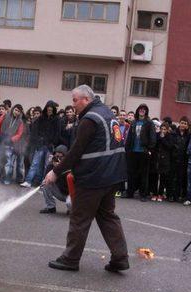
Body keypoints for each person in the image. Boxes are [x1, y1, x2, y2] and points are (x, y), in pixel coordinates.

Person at [43, 85, 128, 273]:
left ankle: (70, 259)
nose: (72, 105)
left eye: (75, 100)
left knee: (80, 218)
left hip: (94, 177)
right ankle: (120, 258)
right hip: (112, 175)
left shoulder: (90, 119)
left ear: (86, 100)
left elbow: (75, 151)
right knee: (108, 216)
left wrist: (55, 171)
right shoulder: (106, 113)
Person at [23, 100, 60, 187]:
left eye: (51, 110)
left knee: (46, 165)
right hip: (40, 145)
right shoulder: (41, 118)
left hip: (50, 146)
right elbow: (35, 130)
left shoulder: (56, 119)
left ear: (53, 110)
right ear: (46, 109)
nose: (49, 111)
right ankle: (28, 181)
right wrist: (38, 140)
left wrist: (53, 142)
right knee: (35, 163)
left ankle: (44, 184)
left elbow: (57, 133)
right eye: (48, 109)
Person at [124, 103, 156, 201]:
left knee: (143, 174)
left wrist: (150, 150)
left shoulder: (149, 123)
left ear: (146, 111)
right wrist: (127, 149)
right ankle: (130, 192)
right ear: (138, 111)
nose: (142, 111)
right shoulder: (134, 122)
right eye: (140, 109)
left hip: (143, 152)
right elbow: (129, 137)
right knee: (131, 173)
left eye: (144, 109)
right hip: (133, 151)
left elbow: (153, 138)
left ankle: (143, 194)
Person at [0, 104, 25, 185]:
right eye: (16, 110)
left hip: (10, 144)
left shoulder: (20, 121)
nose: (16, 112)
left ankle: (7, 179)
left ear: (20, 112)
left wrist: (11, 140)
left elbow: (19, 133)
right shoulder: (5, 116)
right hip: (1, 141)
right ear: (13, 109)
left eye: (18, 111)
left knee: (9, 163)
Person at [40, 145, 72, 214]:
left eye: (61, 157)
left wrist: (60, 169)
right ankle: (51, 207)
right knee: (45, 183)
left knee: (70, 203)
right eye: (57, 157)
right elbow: (46, 177)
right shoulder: (51, 165)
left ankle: (73, 210)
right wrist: (53, 167)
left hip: (71, 193)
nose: (58, 159)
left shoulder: (71, 165)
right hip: (60, 192)